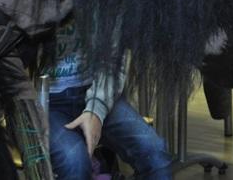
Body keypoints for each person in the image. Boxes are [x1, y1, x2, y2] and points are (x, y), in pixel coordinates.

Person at [43, 17, 173, 179]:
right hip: (45, 102)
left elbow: (113, 59)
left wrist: (96, 110)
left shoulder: (106, 1)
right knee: (74, 161)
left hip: (97, 89)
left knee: (154, 151)